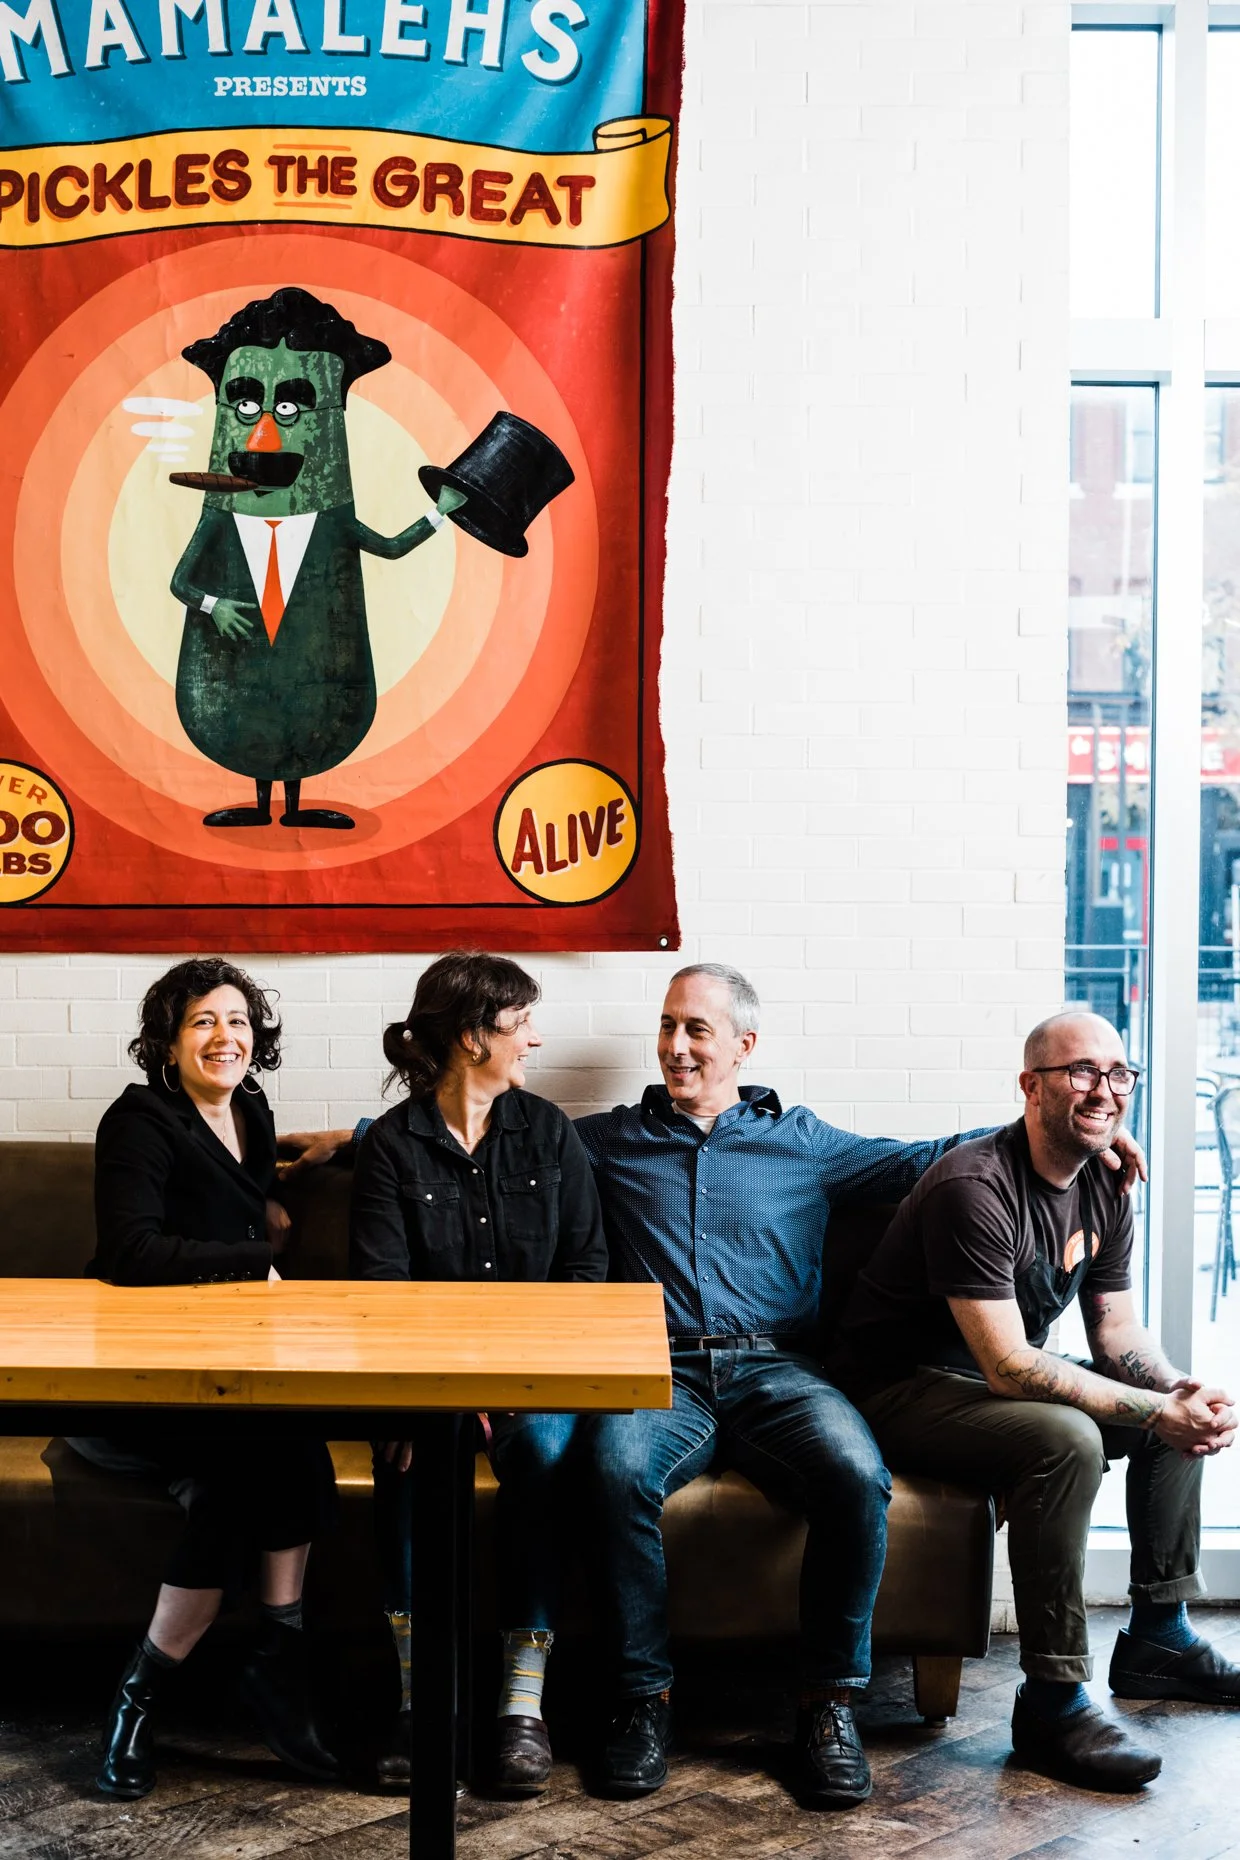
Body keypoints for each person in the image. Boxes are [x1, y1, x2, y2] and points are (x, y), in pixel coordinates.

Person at [570, 964, 1147, 1809]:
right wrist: (338, 1139)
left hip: (779, 1369)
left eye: (697, 1028)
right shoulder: (607, 1141)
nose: (676, 1046)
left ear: (744, 1046)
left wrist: (1083, 1128)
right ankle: (641, 1702)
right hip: (659, 1368)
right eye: (667, 1026)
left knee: (853, 1474)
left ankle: (827, 1703)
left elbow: (938, 1157)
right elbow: (493, 1143)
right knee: (613, 1473)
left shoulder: (802, 1141)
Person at [830, 1009, 1239, 1792]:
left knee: (1161, 1417)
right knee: (1067, 1439)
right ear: (1031, 1087)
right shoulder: (973, 1186)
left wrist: (1174, 1389)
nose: (1104, 1090)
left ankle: (1160, 1635)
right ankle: (1052, 1701)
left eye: (1118, 1074)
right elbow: (1012, 1366)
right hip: (895, 1389)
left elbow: (1116, 1329)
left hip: (983, 1382)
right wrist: (1152, 1406)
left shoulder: (1108, 1182)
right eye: (1081, 1072)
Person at [71, 958, 339, 1800]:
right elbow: (130, 1254)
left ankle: (279, 1664)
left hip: (226, 1366)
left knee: (299, 1447)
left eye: (239, 1022)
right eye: (203, 1023)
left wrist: (318, 1163)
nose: (226, 1039)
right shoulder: (140, 1120)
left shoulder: (251, 1108)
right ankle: (137, 1699)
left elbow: (239, 1193)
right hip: (129, 1374)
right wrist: (256, 1257)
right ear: (167, 1041)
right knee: (235, 1478)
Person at [348, 951, 607, 1796]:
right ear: (471, 1037)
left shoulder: (550, 1131)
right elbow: (382, 1294)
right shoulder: (393, 1145)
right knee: (412, 1455)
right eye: (520, 1021)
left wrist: (509, 1384)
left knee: (538, 1454)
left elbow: (583, 1275)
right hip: (430, 1380)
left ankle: (519, 1709)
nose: (535, 1036)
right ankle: (422, 1706)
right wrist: (445, 1395)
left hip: (534, 1382)